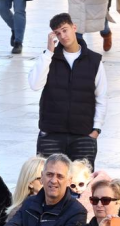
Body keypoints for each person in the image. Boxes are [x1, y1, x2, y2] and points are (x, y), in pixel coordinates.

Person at [30, 13, 107, 167]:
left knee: (80, 184)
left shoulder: (94, 60)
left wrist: (96, 129)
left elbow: (101, 97)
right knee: (50, 183)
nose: (63, 36)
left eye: (65, 30)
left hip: (83, 135)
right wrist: (49, 52)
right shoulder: (48, 59)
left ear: (74, 28)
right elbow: (35, 84)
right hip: (51, 134)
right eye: (58, 33)